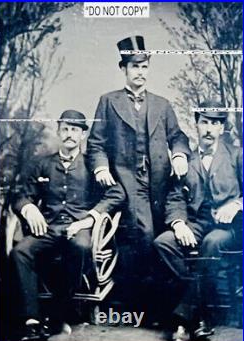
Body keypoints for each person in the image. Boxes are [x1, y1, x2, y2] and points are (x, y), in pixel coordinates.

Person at [87, 35, 191, 310]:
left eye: (145, 66)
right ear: (123, 69)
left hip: (159, 183)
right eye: (135, 66)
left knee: (158, 238)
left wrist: (179, 155)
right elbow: (96, 143)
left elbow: (178, 137)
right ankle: (138, 306)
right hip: (124, 183)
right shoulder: (108, 102)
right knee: (139, 238)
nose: (140, 72)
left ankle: (158, 305)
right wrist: (100, 167)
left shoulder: (163, 104)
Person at [10, 110, 126, 341]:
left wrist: (89, 219)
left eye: (75, 129)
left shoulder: (91, 165)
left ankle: (57, 314)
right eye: (65, 129)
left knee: (81, 247)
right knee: (20, 251)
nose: (70, 134)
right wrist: (28, 208)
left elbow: (117, 193)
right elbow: (21, 195)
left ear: (83, 135)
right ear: (59, 131)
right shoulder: (43, 164)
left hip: (79, 228)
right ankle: (31, 320)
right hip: (49, 228)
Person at [154, 100, 243, 341]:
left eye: (215, 123)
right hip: (197, 223)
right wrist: (179, 224)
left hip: (230, 227)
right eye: (204, 122)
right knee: (163, 242)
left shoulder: (237, 155)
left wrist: (236, 205)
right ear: (196, 125)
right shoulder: (186, 161)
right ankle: (199, 316)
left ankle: (183, 318)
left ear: (221, 128)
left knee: (211, 244)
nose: (209, 129)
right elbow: (175, 199)